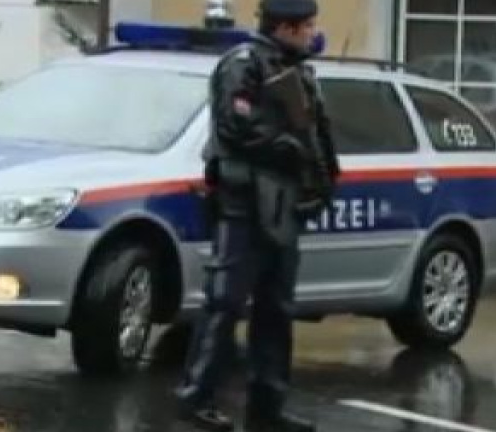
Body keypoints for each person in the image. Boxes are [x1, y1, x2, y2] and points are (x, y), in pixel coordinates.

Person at [175, 0, 340, 431]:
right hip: (244, 203)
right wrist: (286, 145)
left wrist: (322, 178)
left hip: (284, 204)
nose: (312, 33)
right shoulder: (243, 65)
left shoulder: (299, 72)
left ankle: (268, 407)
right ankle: (195, 398)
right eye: (307, 26)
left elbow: (318, 134)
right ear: (285, 27)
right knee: (225, 302)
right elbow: (236, 126)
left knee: (276, 309)